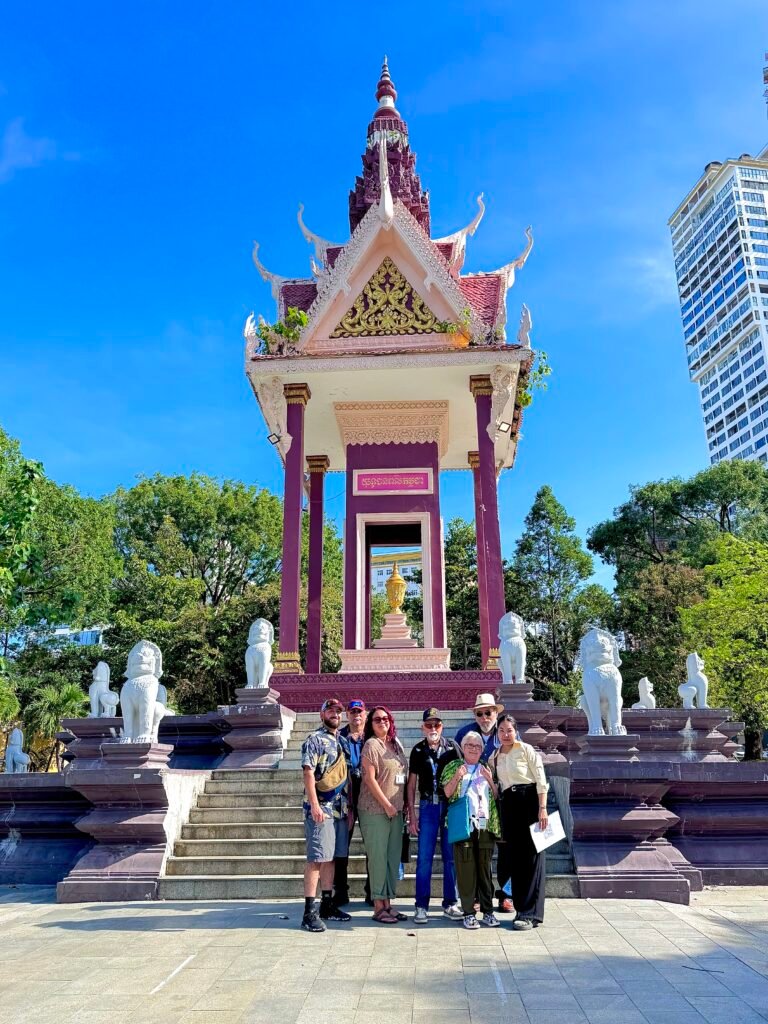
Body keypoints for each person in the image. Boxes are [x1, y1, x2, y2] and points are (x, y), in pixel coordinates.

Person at [489, 713, 549, 930]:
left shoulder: (525, 750)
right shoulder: (494, 757)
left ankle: (531, 913)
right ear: (497, 733)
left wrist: (542, 809)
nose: (506, 734)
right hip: (509, 806)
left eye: (509, 730)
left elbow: (541, 780)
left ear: (516, 731)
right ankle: (520, 910)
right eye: (502, 731)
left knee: (533, 859)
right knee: (516, 860)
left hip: (530, 803)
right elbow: (497, 791)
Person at [300, 698, 353, 932]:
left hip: (340, 808)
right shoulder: (314, 739)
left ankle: (327, 903)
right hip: (321, 807)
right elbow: (309, 773)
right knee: (316, 858)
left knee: (330, 857)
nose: (335, 715)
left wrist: (350, 806)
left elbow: (346, 777)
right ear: (322, 714)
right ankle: (308, 912)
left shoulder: (341, 741)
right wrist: (314, 805)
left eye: (338, 712)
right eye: (331, 711)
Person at [455, 693, 511, 912]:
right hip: (476, 803)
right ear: (475, 715)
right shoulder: (465, 734)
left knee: (506, 851)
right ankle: (477, 896)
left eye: (489, 712)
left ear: (496, 713)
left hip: (503, 799)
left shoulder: (506, 732)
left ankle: (505, 894)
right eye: (480, 713)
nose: (485, 716)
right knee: (477, 850)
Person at [407, 708, 464, 924]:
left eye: (436, 725)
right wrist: (412, 813)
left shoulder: (452, 748)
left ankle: (450, 902)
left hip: (449, 806)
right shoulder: (418, 750)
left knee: (451, 857)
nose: (433, 729)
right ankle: (421, 905)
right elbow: (411, 784)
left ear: (442, 726)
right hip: (428, 806)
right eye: (429, 725)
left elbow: (464, 771)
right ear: (422, 727)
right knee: (424, 858)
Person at [441, 731, 501, 930]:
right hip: (463, 825)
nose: (473, 749)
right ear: (463, 747)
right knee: (466, 869)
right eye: (469, 745)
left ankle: (488, 911)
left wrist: (490, 780)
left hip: (485, 824)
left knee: (485, 869)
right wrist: (458, 777)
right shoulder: (453, 767)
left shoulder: (486, 767)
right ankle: (468, 912)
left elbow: (496, 795)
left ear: (482, 749)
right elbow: (447, 793)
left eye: (477, 746)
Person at [358, 705, 409, 924]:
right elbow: (369, 779)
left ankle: (388, 902)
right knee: (378, 858)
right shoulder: (371, 745)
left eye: (386, 718)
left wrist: (403, 803)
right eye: (377, 719)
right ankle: (378, 905)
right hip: (375, 810)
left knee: (391, 858)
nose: (382, 722)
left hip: (396, 811)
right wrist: (387, 804)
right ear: (370, 724)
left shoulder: (395, 744)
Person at [334, 698, 371, 906]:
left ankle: (371, 890)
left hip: (368, 794)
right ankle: (341, 890)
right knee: (341, 846)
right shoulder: (339, 738)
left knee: (373, 846)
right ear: (347, 714)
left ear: (365, 714)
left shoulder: (373, 737)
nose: (356, 716)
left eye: (360, 712)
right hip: (345, 796)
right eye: (353, 712)